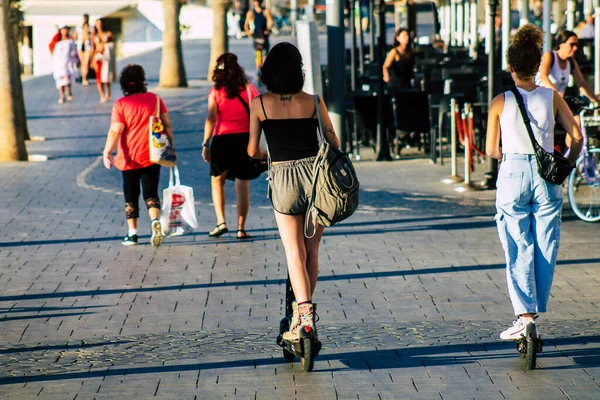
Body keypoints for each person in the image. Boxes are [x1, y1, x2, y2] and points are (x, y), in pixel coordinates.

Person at [485, 24, 583, 341]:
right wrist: (566, 161)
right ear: (535, 66)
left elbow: (490, 149)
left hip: (513, 170)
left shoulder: (500, 101)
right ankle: (535, 307)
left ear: (512, 67)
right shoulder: (551, 96)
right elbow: (577, 136)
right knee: (545, 242)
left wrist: (508, 155)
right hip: (545, 174)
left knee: (516, 242)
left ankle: (524, 316)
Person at [247, 43, 340, 341]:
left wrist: (266, 154)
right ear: (298, 71)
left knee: (293, 253)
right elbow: (332, 142)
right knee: (312, 252)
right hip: (316, 180)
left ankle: (303, 315)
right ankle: (305, 317)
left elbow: (252, 150)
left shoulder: (259, 104)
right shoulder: (314, 102)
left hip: (284, 179)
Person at [103, 64, 174, 247]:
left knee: (131, 195)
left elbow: (115, 131)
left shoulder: (121, 104)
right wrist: (171, 147)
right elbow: (166, 124)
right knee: (151, 193)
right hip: (153, 154)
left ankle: (132, 234)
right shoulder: (155, 99)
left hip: (128, 158)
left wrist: (107, 152)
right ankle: (154, 222)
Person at [202, 53, 261, 239]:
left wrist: (205, 143)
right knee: (242, 184)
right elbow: (259, 111)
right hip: (244, 139)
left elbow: (211, 118)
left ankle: (221, 222)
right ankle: (241, 228)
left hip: (222, 140)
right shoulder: (249, 88)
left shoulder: (216, 91)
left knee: (217, 181)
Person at [536, 30, 600, 117]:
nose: (575, 48)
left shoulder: (571, 62)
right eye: (572, 45)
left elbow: (581, 84)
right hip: (541, 101)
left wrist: (596, 101)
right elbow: (543, 76)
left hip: (557, 104)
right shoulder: (550, 56)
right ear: (561, 44)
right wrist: (556, 93)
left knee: (576, 120)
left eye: (576, 45)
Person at [244, 0, 273, 76]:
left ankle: (265, 70)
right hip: (256, 36)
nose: (257, 3)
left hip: (264, 36)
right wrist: (249, 32)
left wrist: (268, 30)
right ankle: (259, 71)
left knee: (265, 55)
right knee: (258, 54)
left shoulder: (265, 11)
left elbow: (270, 21)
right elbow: (246, 25)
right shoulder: (251, 13)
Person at [51, 23, 78, 104]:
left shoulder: (70, 41)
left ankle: (69, 93)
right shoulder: (57, 41)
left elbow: (74, 52)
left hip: (67, 62)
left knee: (67, 79)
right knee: (60, 80)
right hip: (58, 63)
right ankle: (62, 96)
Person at [73, 14, 92, 85]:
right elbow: (75, 36)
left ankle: (85, 78)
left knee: (86, 63)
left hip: (88, 47)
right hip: (80, 46)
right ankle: (83, 76)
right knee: (82, 63)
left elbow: (92, 37)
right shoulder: (79, 27)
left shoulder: (91, 27)